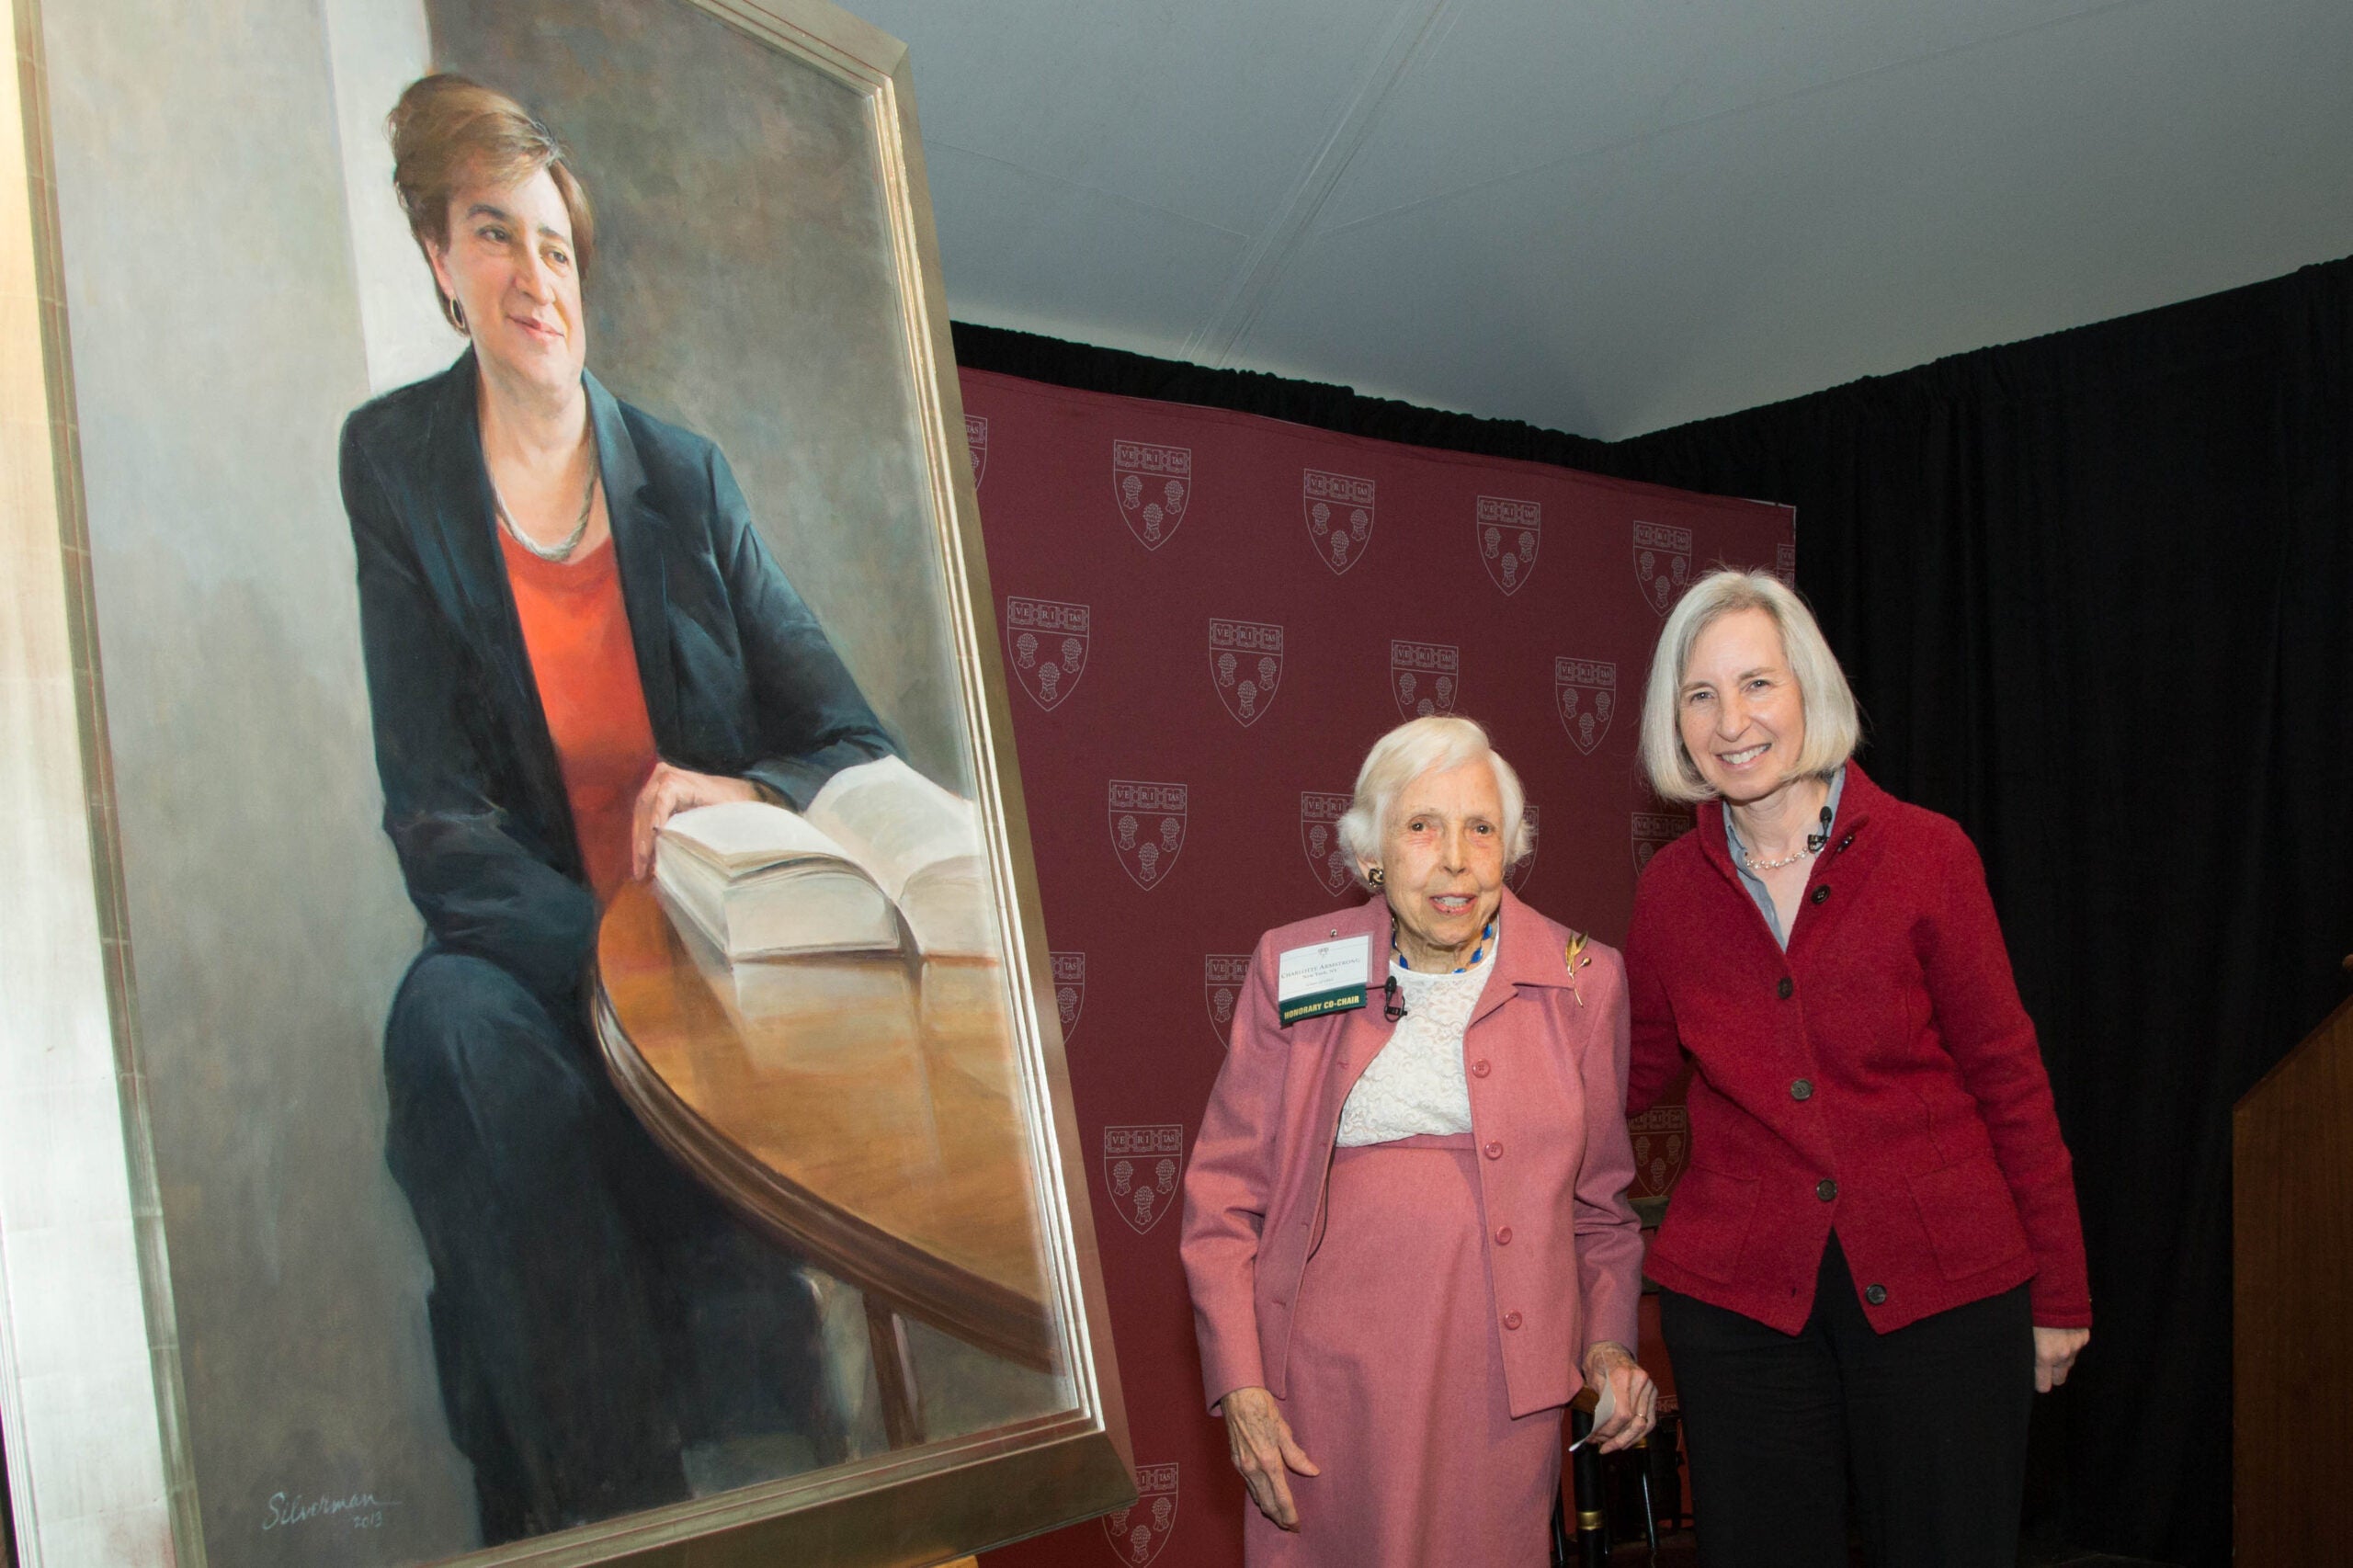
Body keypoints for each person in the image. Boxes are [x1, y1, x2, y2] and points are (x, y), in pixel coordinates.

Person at [339, 74, 896, 1540]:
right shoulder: (397, 468)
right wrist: (609, 961)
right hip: (538, 970)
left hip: (714, 971)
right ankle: (621, 1513)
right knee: (447, 1032)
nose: (535, 279)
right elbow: (436, 819)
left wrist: (744, 785)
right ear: (439, 264)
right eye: (492, 237)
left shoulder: (686, 480)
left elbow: (849, 738)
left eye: (555, 245)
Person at [1623, 569, 2093, 1568]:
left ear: (1808, 691)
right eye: (1698, 694)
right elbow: (1620, 1077)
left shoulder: (1929, 854)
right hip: (1744, 1308)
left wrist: (2059, 1290)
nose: (1730, 719)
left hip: (1943, 1295)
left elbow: (2010, 1079)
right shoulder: (1667, 890)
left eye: (1757, 683)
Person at [1181, 716, 1654, 1567]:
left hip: (1502, 1393)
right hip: (1322, 1392)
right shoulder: (1295, 968)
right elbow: (1223, 1200)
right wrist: (1242, 1387)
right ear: (1373, 853)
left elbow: (1602, 1209)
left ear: (1509, 847)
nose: (1455, 858)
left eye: (1481, 827)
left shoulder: (1584, 981)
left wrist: (1609, 1345)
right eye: (1421, 826)